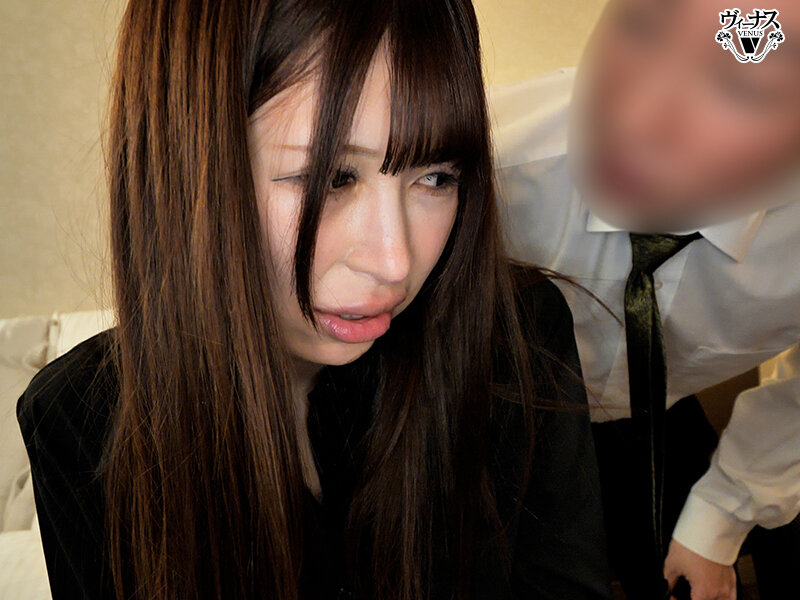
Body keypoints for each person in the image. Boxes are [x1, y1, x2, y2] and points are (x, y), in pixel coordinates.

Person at [16, 1, 612, 599]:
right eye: (332, 178)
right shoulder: (81, 420)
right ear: (187, 169)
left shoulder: (517, 341)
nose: (395, 262)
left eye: (436, 177)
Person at [491, 0, 800, 599]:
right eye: (640, 26)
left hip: (654, 419)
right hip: (487, 410)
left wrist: (718, 519)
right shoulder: (491, 157)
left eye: (742, 85)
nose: (630, 121)